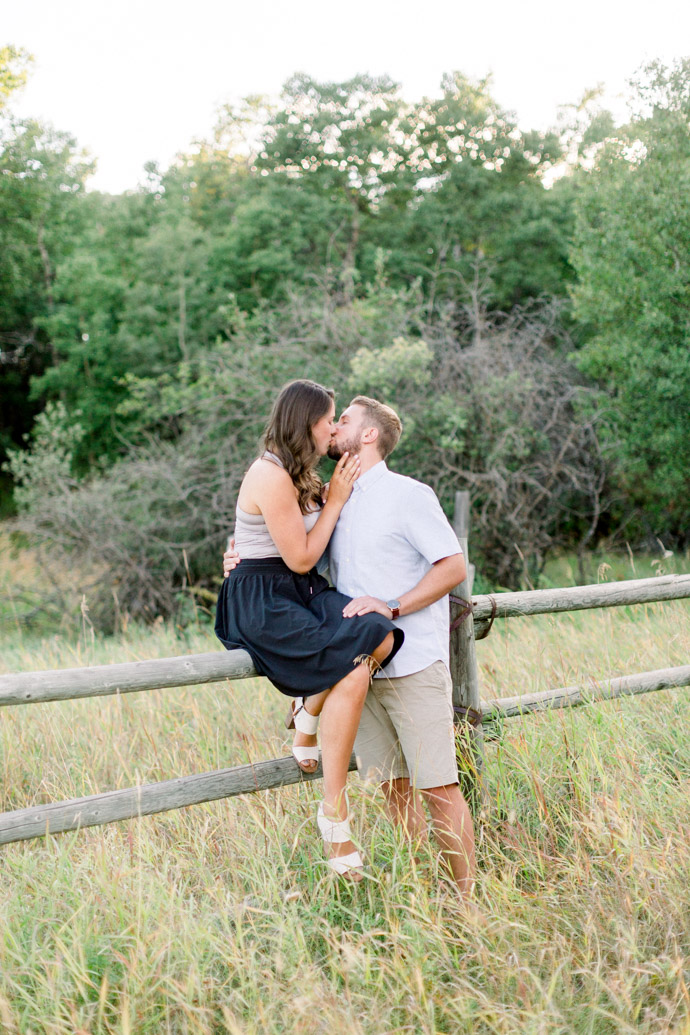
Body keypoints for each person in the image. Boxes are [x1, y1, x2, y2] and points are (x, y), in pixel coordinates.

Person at [226, 395, 476, 897]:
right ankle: (425, 898)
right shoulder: (325, 496)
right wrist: (238, 558)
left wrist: (395, 606)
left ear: (367, 435)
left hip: (411, 663)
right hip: (353, 674)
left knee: (440, 789)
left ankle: (468, 905)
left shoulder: (408, 494)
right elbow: (283, 545)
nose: (332, 428)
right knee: (394, 792)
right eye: (328, 419)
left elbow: (453, 568)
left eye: (341, 420)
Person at [215, 380, 403, 881]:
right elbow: (299, 554)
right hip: (264, 597)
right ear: (306, 424)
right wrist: (336, 500)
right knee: (355, 665)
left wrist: (334, 493)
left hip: (301, 589)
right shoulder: (270, 474)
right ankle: (335, 813)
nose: (333, 428)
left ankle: (308, 707)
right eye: (328, 420)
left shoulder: (304, 475)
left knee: (379, 632)